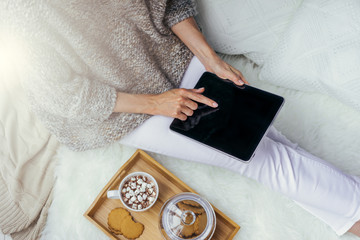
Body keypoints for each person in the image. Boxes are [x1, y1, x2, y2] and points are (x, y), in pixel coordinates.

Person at [3, 0, 360, 237]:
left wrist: (210, 60)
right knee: (255, 158)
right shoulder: (21, 15)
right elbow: (66, 97)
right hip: (121, 108)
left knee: (261, 138)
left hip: (168, 55)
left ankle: (347, 219)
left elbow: (170, 5)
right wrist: (157, 104)